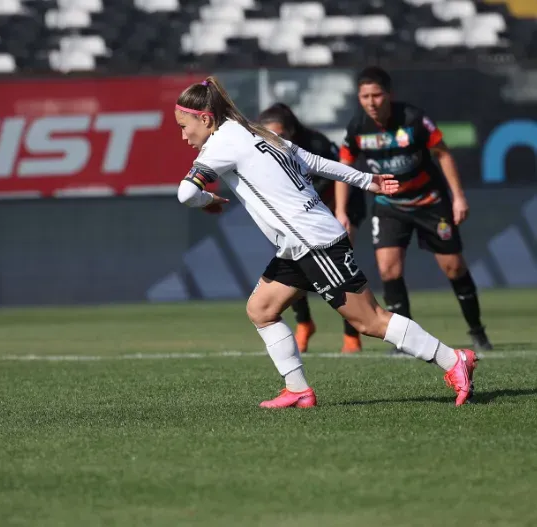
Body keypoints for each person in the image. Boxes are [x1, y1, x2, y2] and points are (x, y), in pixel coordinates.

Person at [175, 76, 477, 408]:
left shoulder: (221, 144)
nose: (183, 134)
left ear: (205, 118)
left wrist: (208, 201)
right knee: (261, 309)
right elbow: (315, 163)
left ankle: (453, 360)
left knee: (369, 320)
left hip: (313, 242)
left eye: (184, 124)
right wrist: (366, 179)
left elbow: (186, 193)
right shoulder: (258, 132)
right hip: (300, 242)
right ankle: (298, 390)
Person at [336, 66, 492, 353]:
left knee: (453, 267)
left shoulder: (413, 118)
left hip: (430, 202)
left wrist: (458, 197)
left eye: (377, 95)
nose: (371, 102)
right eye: (365, 96)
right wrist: (341, 211)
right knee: (388, 269)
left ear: (389, 95)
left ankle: (477, 331)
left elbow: (443, 154)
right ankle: (405, 341)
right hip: (389, 206)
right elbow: (343, 168)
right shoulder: (357, 127)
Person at [258, 103, 366, 354]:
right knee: (294, 264)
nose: (275, 140)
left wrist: (340, 213)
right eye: (268, 135)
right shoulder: (263, 152)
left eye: (280, 134)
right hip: (302, 213)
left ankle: (352, 334)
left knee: (341, 269)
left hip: (340, 204)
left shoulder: (315, 144)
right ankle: (305, 324)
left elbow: (336, 174)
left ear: (292, 131)